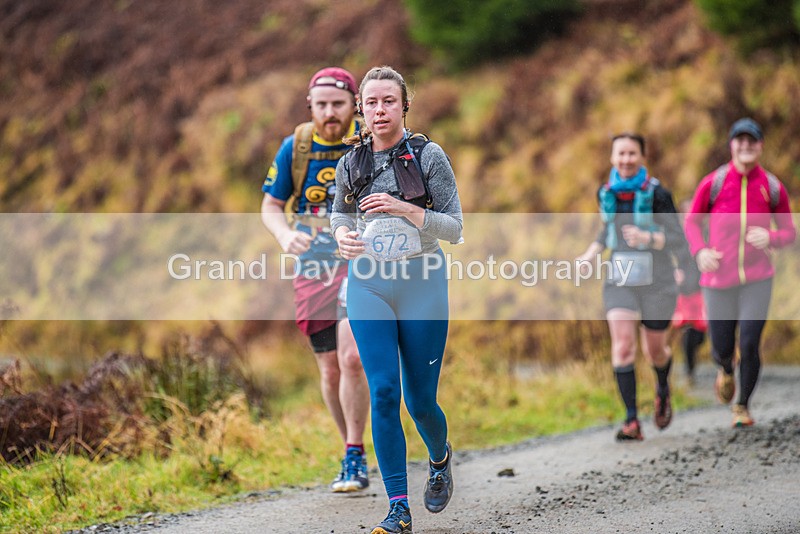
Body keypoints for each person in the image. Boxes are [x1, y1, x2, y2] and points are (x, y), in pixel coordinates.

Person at [331, 65, 462, 534]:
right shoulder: (352, 162)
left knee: (420, 402)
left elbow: (456, 228)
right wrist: (344, 235)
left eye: (389, 100)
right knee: (384, 391)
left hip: (422, 282)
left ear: (404, 104)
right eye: (371, 103)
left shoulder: (428, 155)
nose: (379, 110)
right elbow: (338, 214)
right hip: (368, 283)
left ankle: (440, 458)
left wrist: (407, 209)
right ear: (361, 110)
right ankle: (398, 507)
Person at [260, 67, 370, 492]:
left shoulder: (368, 143)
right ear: (311, 105)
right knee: (329, 369)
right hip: (312, 267)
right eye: (321, 105)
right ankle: (350, 450)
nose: (329, 113)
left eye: (338, 105)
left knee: (352, 359)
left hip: (360, 263)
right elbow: (271, 205)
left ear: (353, 104)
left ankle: (356, 453)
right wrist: (285, 233)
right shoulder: (297, 147)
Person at [684, 118, 796, 427]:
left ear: (760, 145)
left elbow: (789, 232)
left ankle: (743, 406)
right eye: (740, 140)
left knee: (748, 342)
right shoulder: (715, 182)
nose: (746, 146)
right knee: (721, 347)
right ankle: (725, 370)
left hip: (758, 279)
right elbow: (692, 222)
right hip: (718, 279)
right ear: (731, 145)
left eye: (752, 141)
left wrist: (771, 238)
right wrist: (700, 251)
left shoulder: (772, 187)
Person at [577, 133, 687, 441]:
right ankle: (631, 421)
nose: (626, 159)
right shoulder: (606, 193)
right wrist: (589, 256)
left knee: (656, 351)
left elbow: (678, 238)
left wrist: (649, 238)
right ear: (612, 158)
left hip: (658, 281)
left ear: (641, 157)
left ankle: (662, 387)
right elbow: (606, 231)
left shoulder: (658, 195)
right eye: (620, 154)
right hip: (620, 278)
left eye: (631, 154)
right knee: (623, 346)